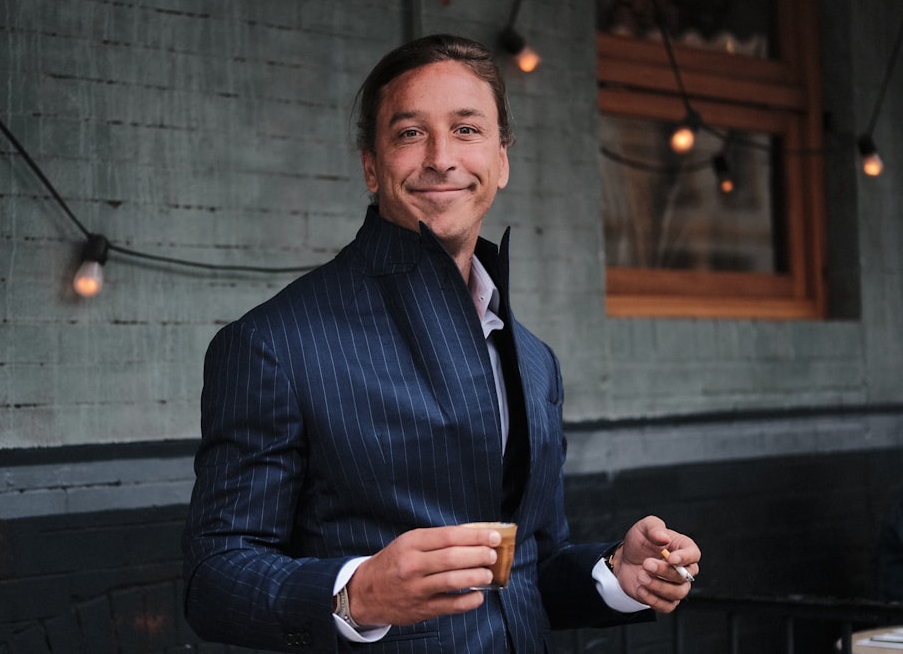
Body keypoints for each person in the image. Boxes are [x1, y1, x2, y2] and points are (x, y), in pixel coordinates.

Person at [182, 33, 700, 653]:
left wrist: (615, 576)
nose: (440, 158)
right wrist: (356, 594)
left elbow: (521, 575)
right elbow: (213, 580)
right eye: (409, 133)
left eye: (467, 129)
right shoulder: (270, 343)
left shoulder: (534, 361)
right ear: (371, 166)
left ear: (502, 160)